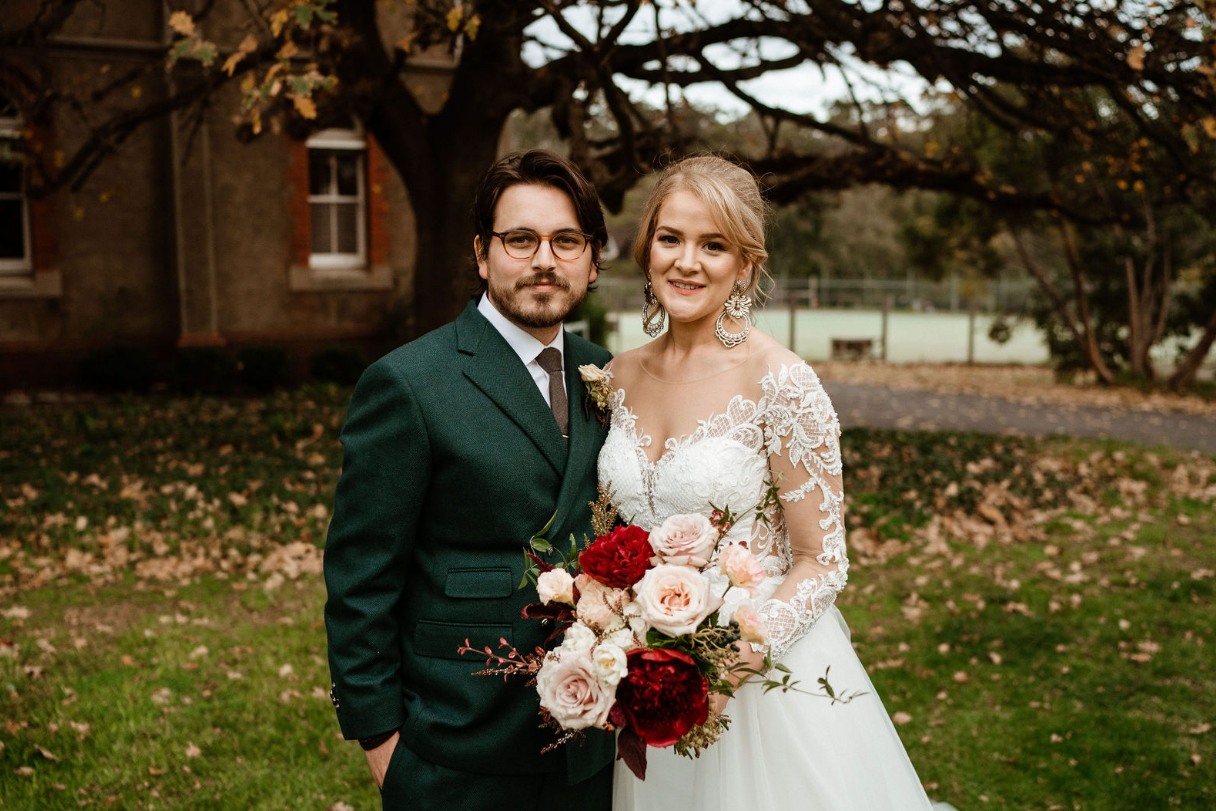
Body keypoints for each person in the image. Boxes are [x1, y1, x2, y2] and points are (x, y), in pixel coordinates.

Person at [598, 156, 952, 810]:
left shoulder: (782, 382)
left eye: (713, 245)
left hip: (762, 685)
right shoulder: (615, 377)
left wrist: (733, 658)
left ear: (746, 266)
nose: (686, 261)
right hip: (648, 680)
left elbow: (824, 559)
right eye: (670, 238)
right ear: (647, 247)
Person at [324, 150, 615, 811]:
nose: (545, 258)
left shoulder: (609, 375)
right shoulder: (407, 384)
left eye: (566, 240)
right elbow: (359, 580)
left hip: (591, 748)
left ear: (592, 261)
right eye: (522, 239)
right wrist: (382, 745)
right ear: (482, 254)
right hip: (456, 749)